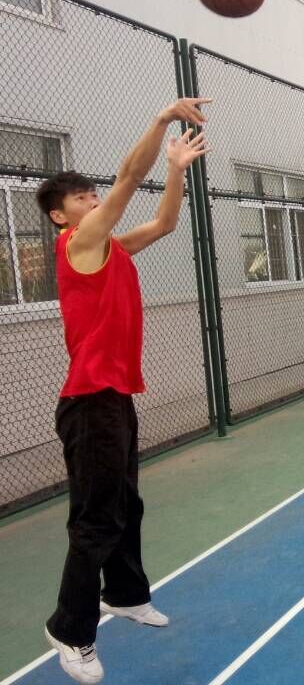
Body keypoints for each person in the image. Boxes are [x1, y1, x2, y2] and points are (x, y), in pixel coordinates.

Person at [36, 98, 211, 684]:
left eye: (92, 192)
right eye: (80, 197)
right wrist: (161, 122)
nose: (92, 198)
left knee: (126, 506)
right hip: (89, 402)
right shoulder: (78, 245)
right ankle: (70, 630)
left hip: (114, 397)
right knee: (95, 521)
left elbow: (163, 224)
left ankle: (126, 595)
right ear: (60, 217)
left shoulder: (111, 248)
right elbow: (129, 178)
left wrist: (177, 171)